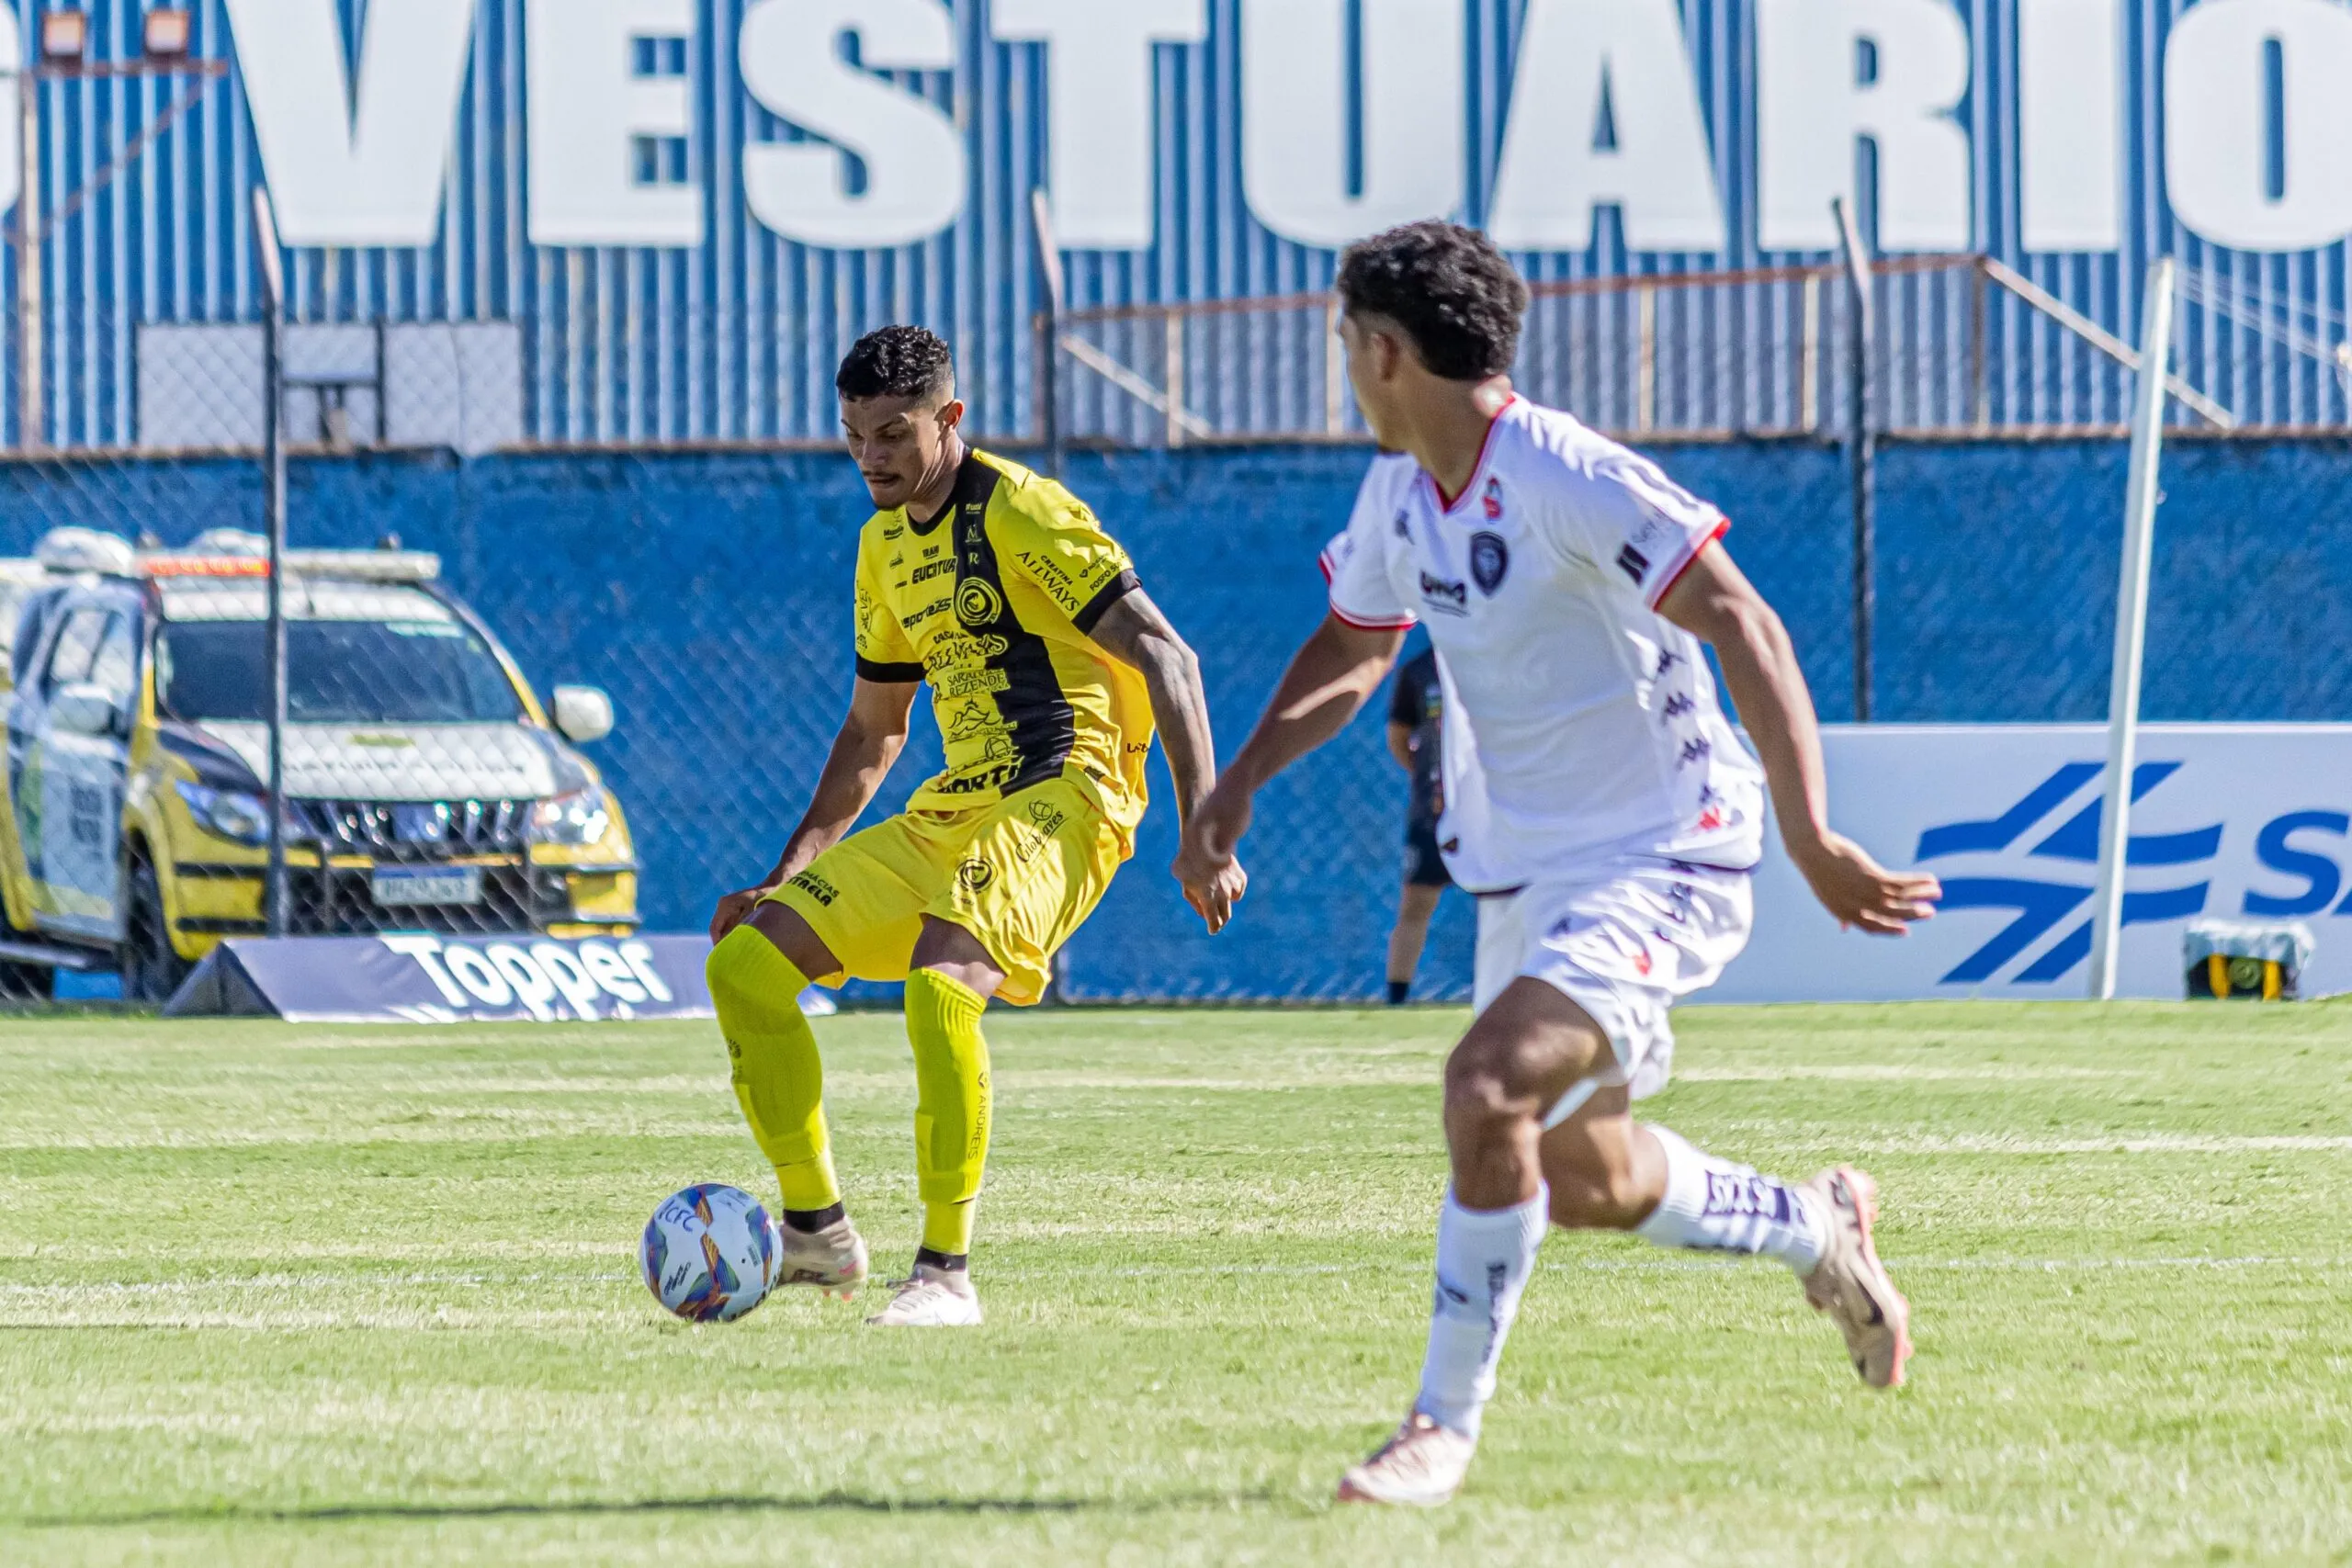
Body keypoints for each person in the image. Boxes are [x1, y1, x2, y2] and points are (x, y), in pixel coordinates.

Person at [1175, 223, 1941, 1504]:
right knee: (1586, 1178)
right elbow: (1357, 648)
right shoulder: (1399, 493)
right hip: (1529, 877)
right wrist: (1236, 784)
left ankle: (1438, 1425)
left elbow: (1741, 616)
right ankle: (1818, 1222)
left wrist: (1810, 835)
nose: (1344, 371)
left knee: (1485, 1087)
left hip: (1664, 855)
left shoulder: (1565, 472)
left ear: (1382, 350)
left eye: (1344, 346)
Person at [707, 326, 1245, 1328]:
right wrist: (787, 874)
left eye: (892, 433)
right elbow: (874, 732)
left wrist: (1204, 830)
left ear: (949, 418)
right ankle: (818, 1238)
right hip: (960, 802)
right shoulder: (881, 547)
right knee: (744, 967)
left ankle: (945, 1274)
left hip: (1070, 790)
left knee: (942, 978)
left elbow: (1171, 662)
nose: (871, 457)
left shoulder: (1025, 510)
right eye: (854, 436)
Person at [1384, 646, 1452, 1004]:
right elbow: (1398, 737)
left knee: (1507, 905)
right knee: (1416, 904)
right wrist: (1429, 778)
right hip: (1434, 816)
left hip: (1493, 814)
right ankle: (1396, 999)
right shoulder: (1420, 670)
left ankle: (1514, 997)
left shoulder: (1499, 656)